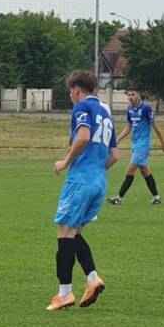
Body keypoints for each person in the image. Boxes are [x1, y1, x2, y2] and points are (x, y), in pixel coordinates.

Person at [48, 70, 118, 311]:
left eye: (70, 91)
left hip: (81, 180)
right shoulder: (106, 113)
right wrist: (96, 172)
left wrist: (65, 162)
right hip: (100, 181)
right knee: (74, 233)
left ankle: (64, 293)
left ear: (77, 90)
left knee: (65, 233)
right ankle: (92, 279)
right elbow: (115, 156)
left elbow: (84, 137)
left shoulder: (81, 107)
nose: (70, 96)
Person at [107, 87, 164, 206]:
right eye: (129, 95)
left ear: (139, 95)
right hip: (135, 144)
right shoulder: (130, 109)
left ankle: (118, 198)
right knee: (145, 171)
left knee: (130, 170)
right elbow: (128, 127)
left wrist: (163, 143)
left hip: (143, 145)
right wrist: (116, 140)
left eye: (133, 94)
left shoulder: (146, 108)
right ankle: (157, 198)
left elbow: (155, 125)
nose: (131, 97)